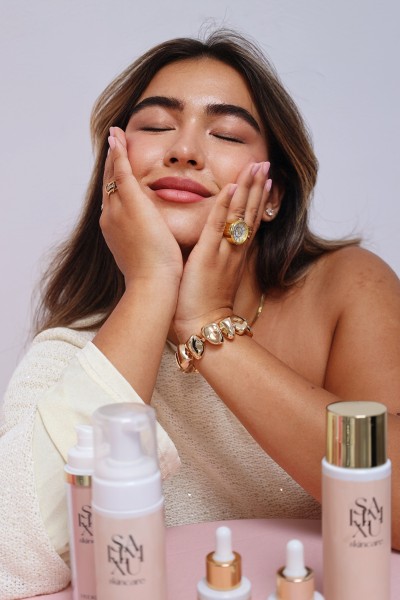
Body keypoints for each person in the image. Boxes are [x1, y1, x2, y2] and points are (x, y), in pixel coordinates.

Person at [1, 28, 399, 598]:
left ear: (273, 195)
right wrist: (151, 286)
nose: (184, 150)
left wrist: (208, 325)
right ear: (113, 171)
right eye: (156, 126)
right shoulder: (75, 353)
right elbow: (11, 559)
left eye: (227, 133)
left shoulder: (346, 288)